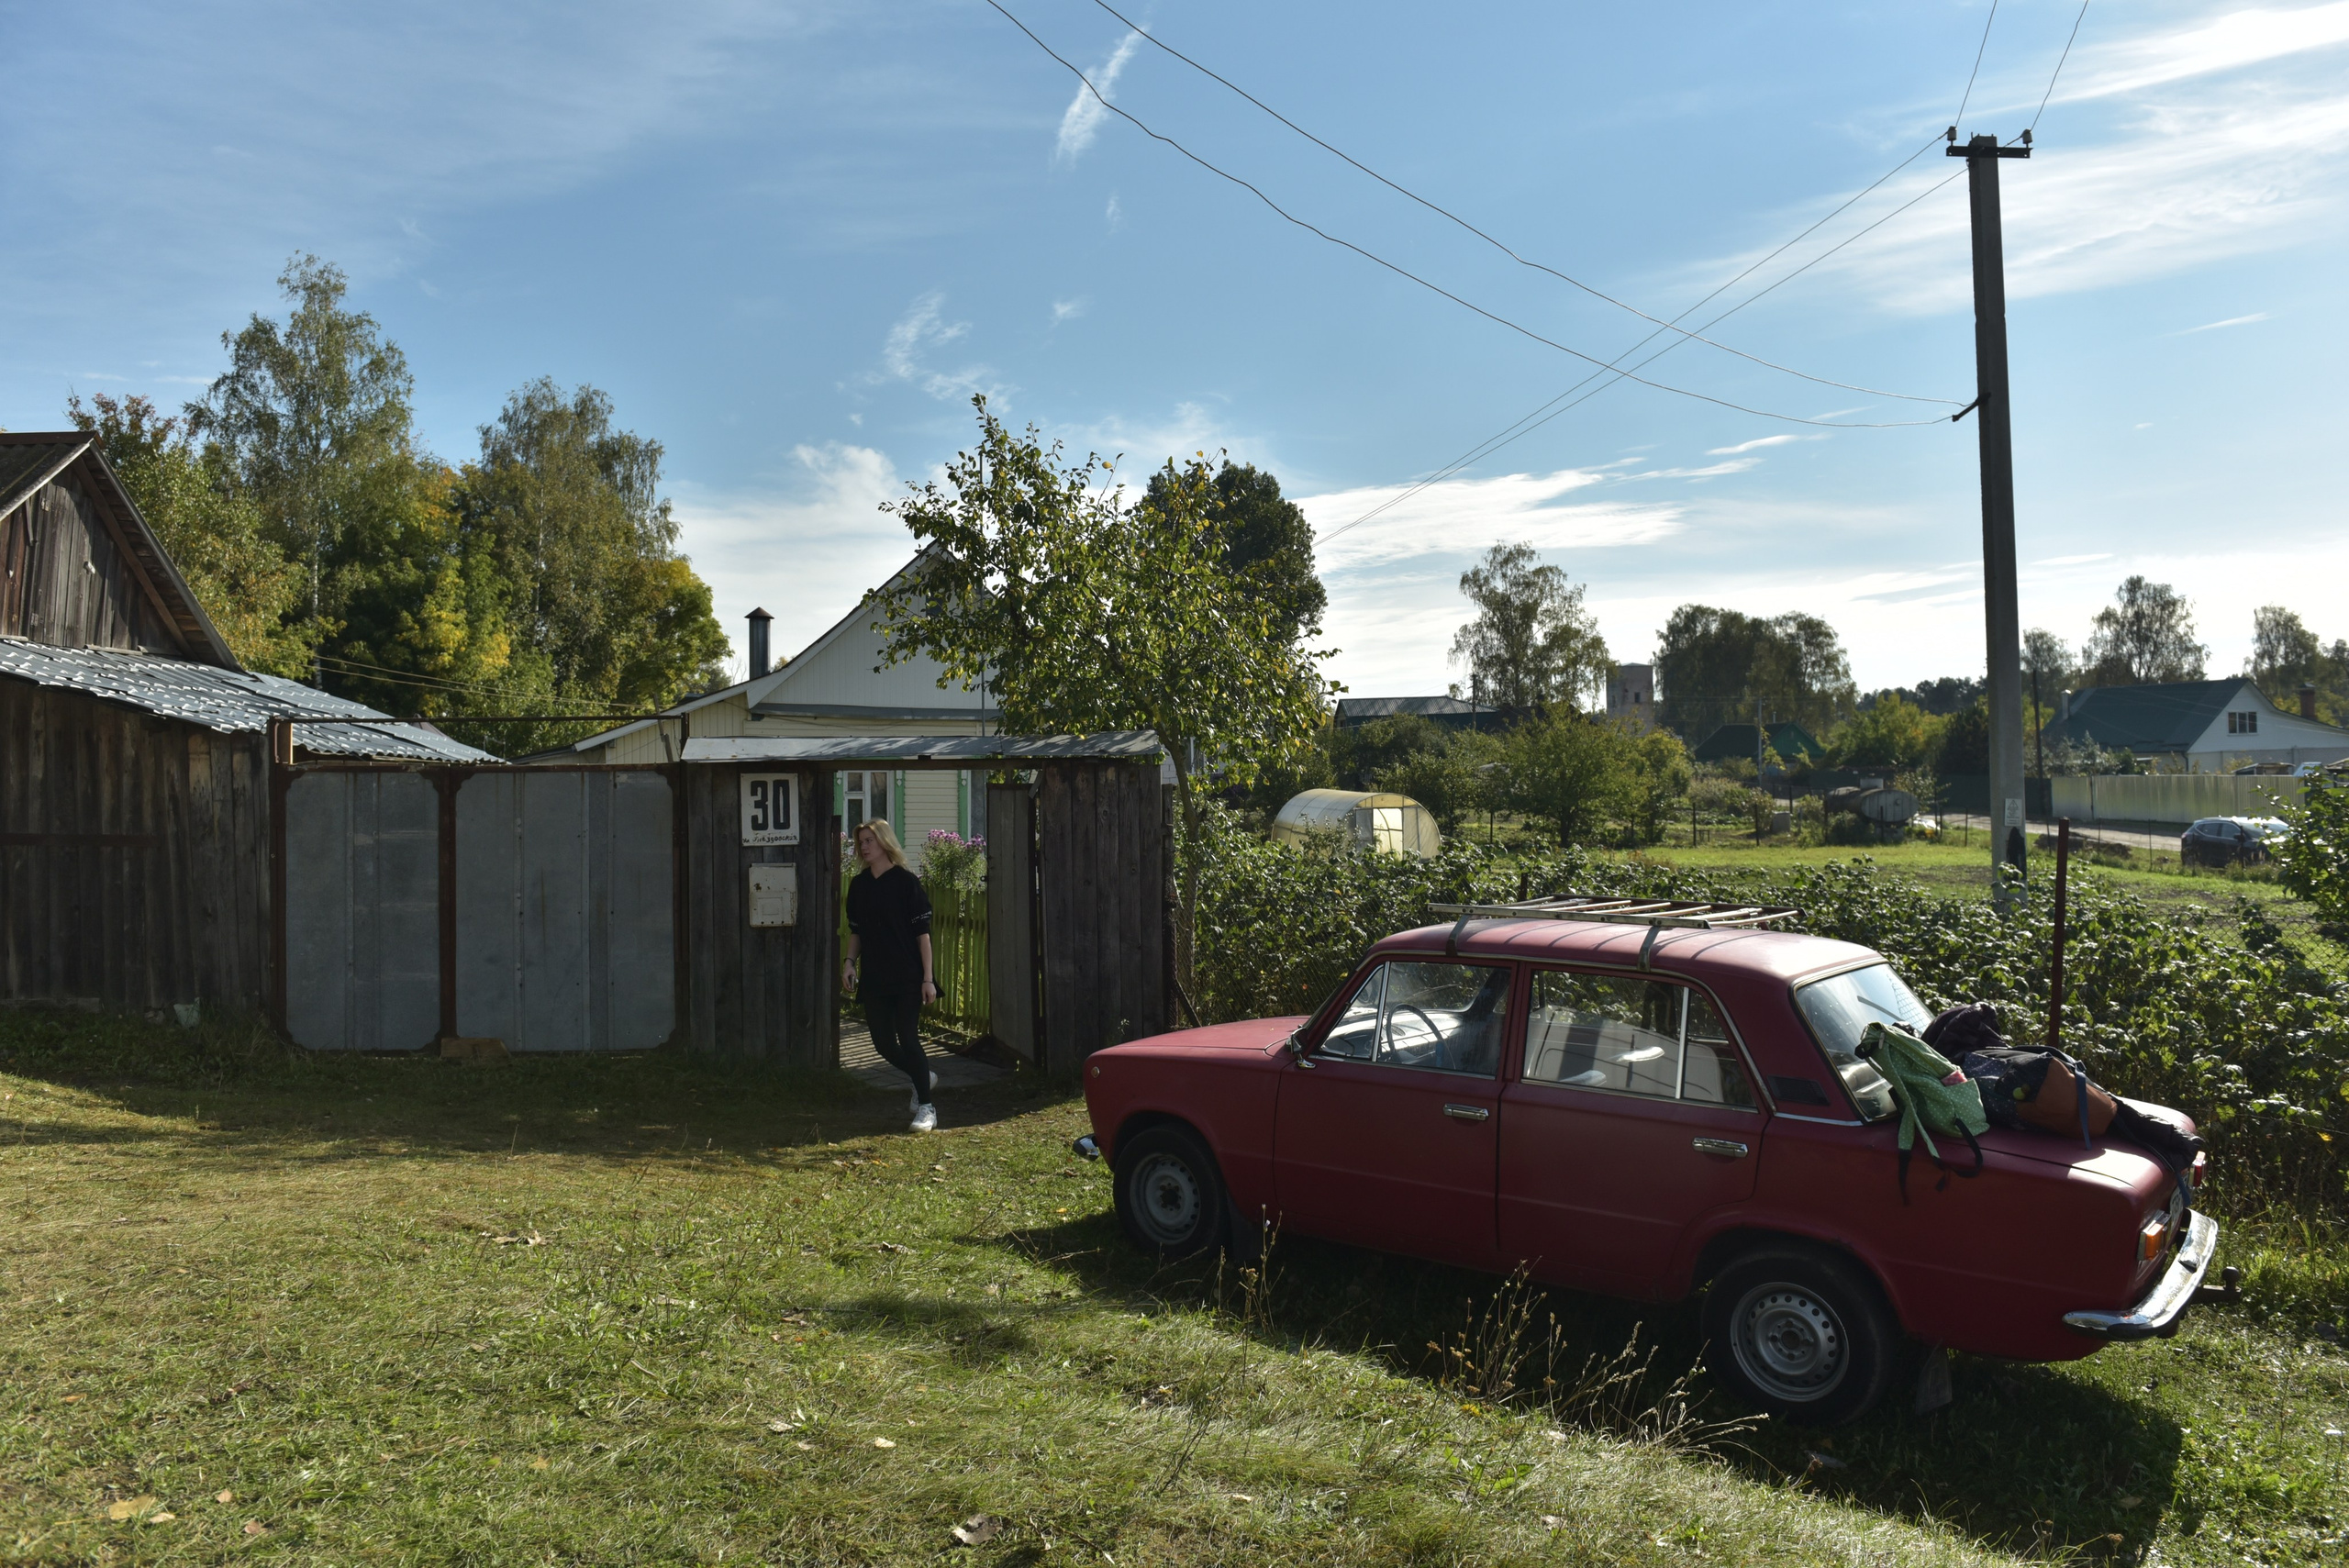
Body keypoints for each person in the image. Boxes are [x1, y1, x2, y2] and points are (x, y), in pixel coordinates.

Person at [842, 818, 938, 1132]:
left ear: (884, 842)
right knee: (883, 1043)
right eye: (861, 842)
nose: (863, 847)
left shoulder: (906, 882)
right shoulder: (859, 886)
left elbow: (923, 936)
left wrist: (927, 979)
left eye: (869, 841)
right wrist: (849, 963)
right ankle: (923, 1076)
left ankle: (926, 1107)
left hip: (908, 975)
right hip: (875, 977)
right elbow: (856, 932)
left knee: (908, 1037)